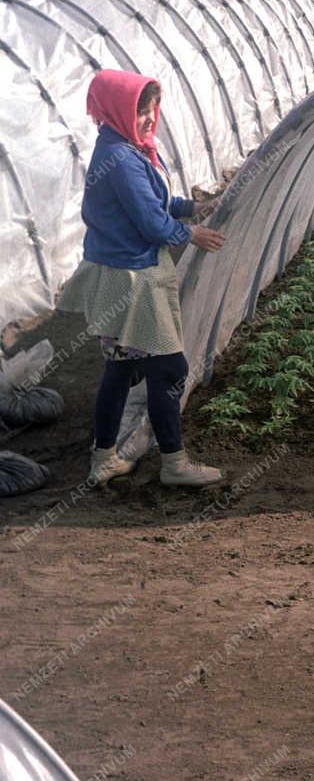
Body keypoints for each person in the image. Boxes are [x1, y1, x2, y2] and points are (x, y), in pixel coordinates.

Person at [59, 69, 227, 488]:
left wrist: (192, 206)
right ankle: (174, 465)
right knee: (169, 369)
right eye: (141, 113)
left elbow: (157, 201)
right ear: (117, 111)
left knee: (119, 371)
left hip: (119, 271)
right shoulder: (120, 158)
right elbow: (152, 221)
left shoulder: (125, 147)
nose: (150, 120)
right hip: (131, 279)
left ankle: (103, 460)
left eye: (153, 111)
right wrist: (191, 233)